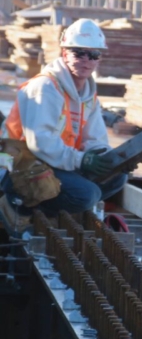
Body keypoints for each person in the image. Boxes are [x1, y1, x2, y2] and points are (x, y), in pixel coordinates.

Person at [0, 19, 128, 228]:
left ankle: (54, 208)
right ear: (64, 53)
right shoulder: (46, 87)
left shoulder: (87, 95)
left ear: (99, 59)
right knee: (87, 195)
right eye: (79, 53)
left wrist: (110, 158)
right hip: (19, 164)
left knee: (117, 178)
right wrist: (81, 160)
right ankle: (18, 207)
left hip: (53, 161)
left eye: (94, 54)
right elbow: (39, 143)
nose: (86, 60)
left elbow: (94, 139)